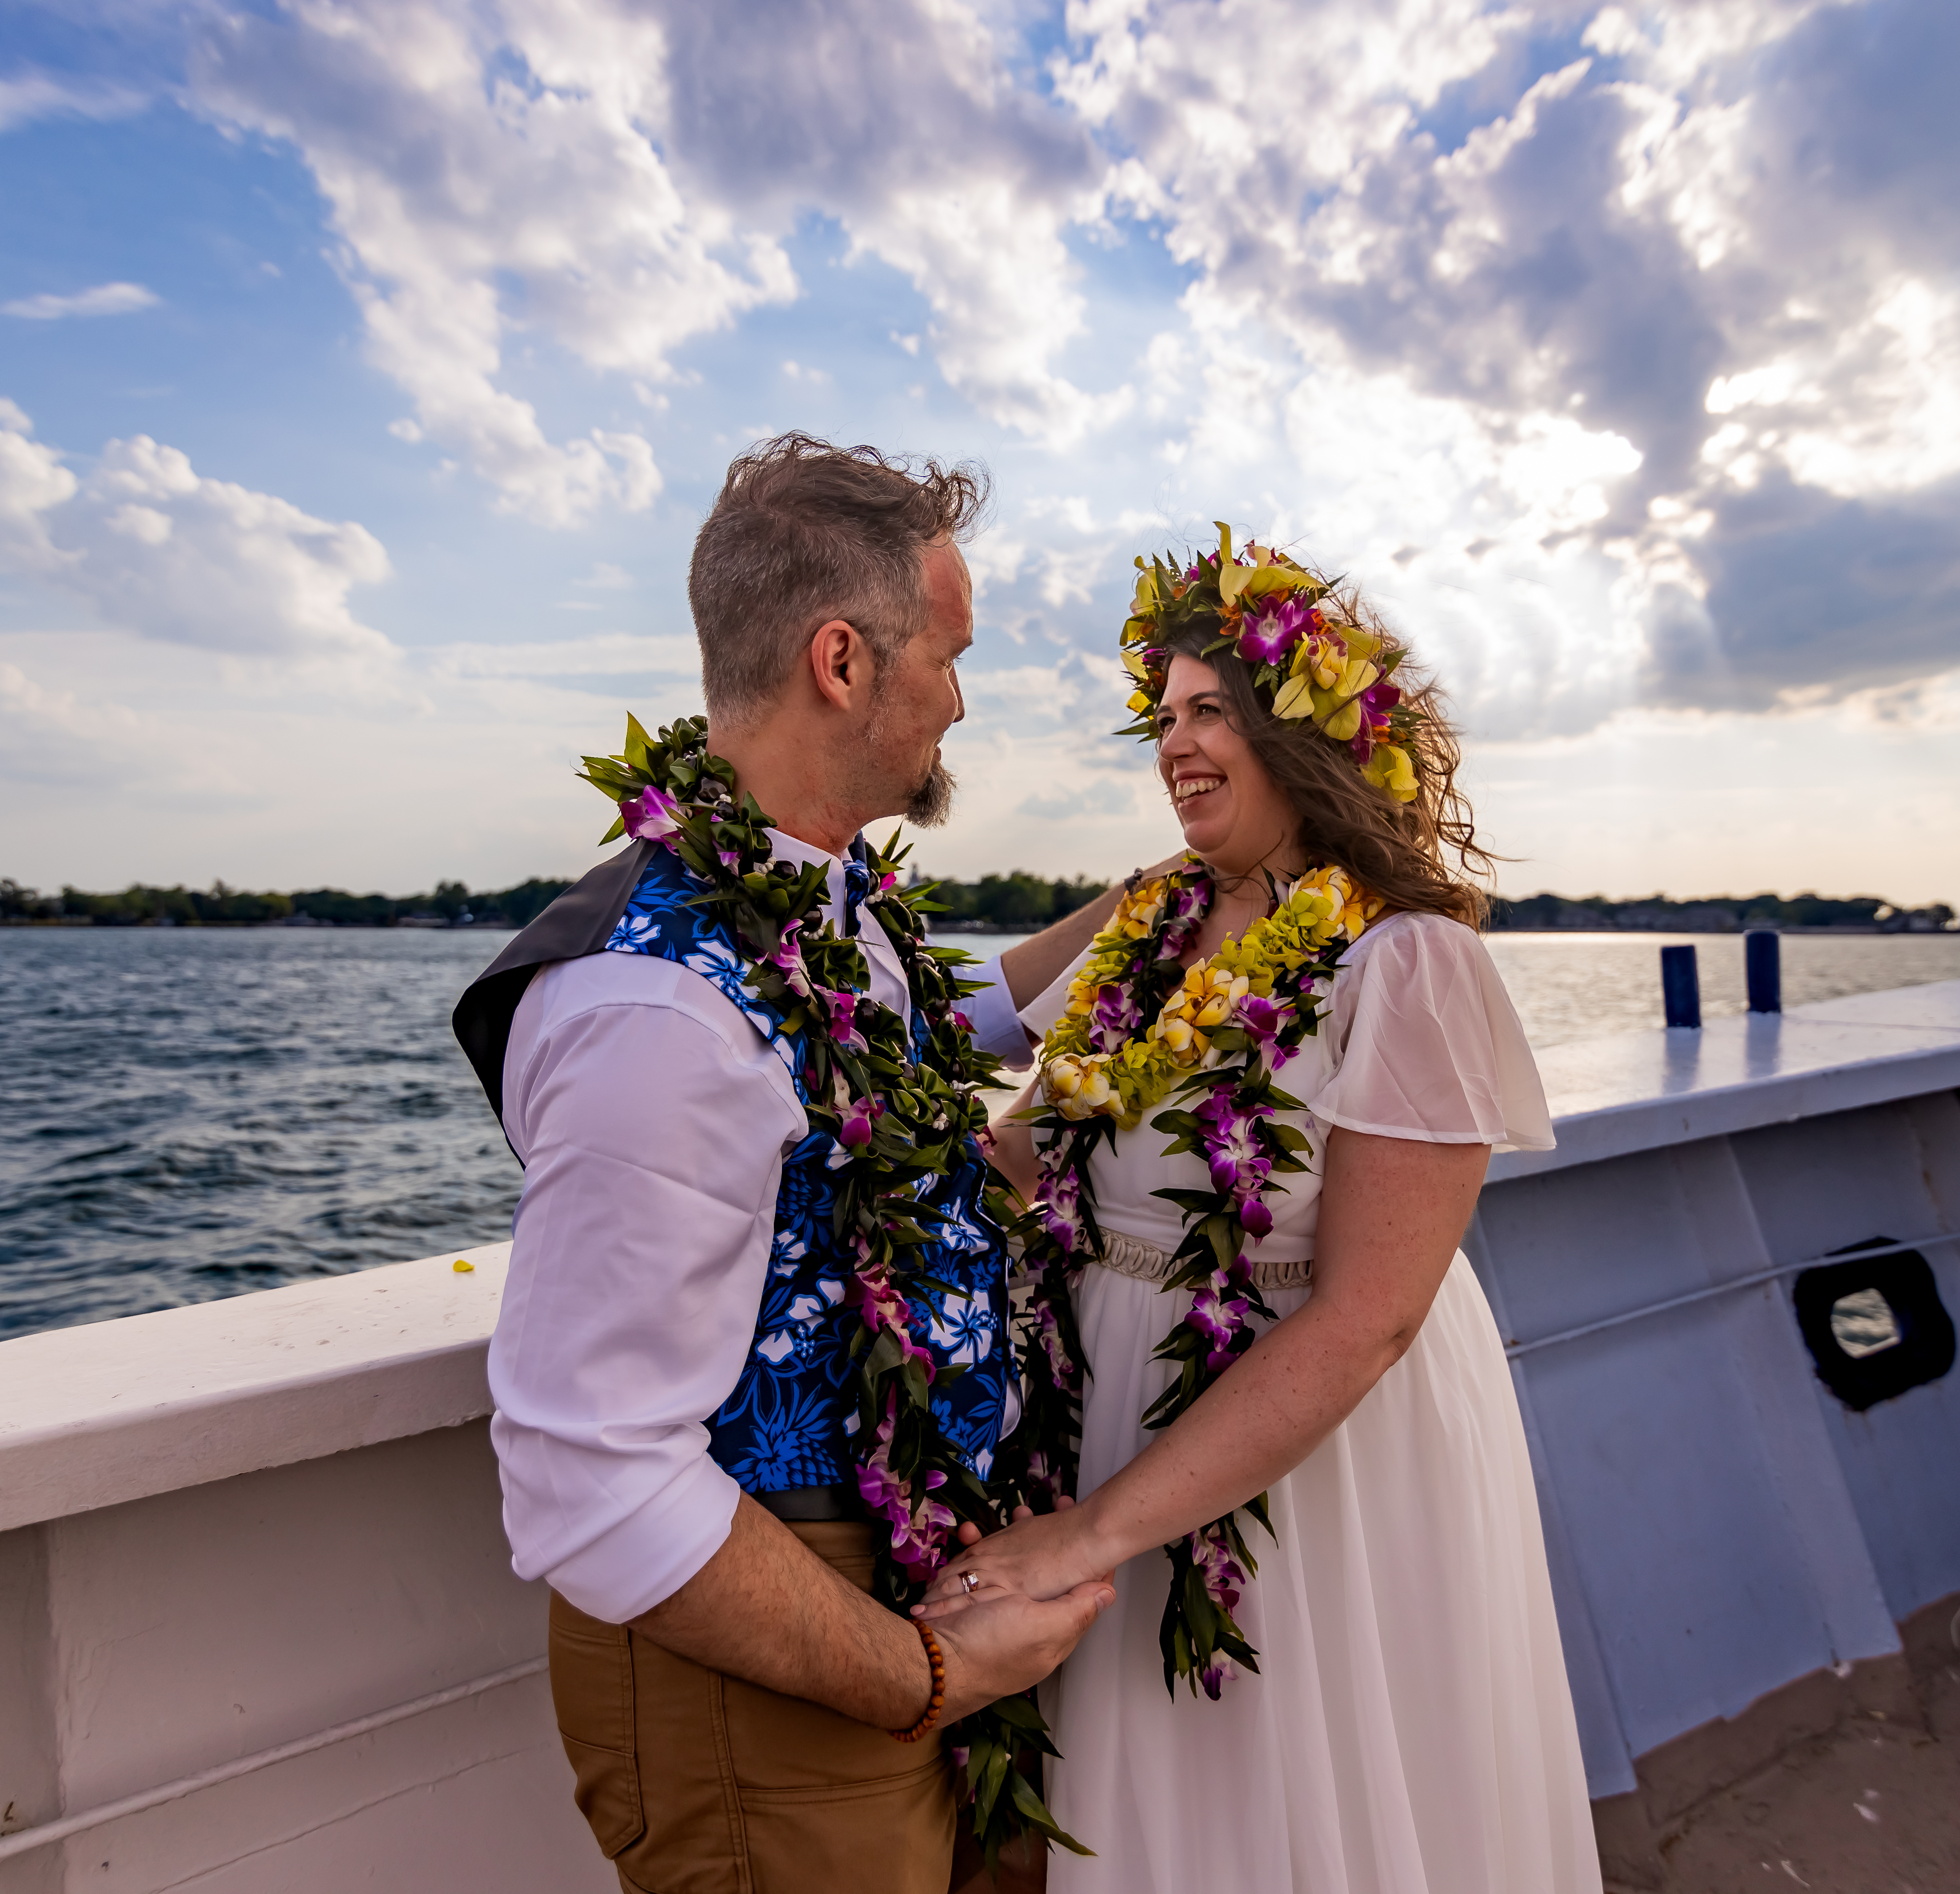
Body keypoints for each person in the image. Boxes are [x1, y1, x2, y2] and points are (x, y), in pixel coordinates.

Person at [451, 435, 1125, 1894]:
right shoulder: (660, 1008)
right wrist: (926, 1673)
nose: (959, 698)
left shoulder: (822, 912)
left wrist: (1150, 914)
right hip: (779, 1648)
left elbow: (946, 1046)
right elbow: (592, 1476)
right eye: (945, 656)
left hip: (892, 1571)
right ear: (843, 660)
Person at [930, 534, 1606, 1892]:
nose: (1173, 742)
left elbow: (1369, 1318)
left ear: (1304, 734)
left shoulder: (1407, 962)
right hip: (1107, 1400)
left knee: (1291, 1797)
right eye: (1161, 714)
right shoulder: (1149, 923)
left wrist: (1086, 1535)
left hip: (1311, 1452)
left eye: (1210, 711)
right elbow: (977, 1065)